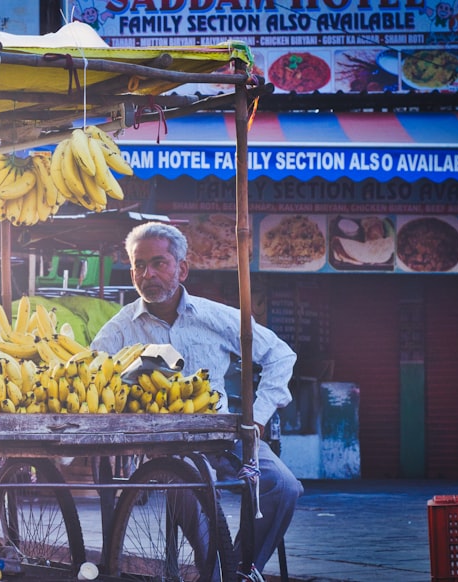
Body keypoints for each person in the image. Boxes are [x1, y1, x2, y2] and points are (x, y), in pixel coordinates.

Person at [90, 221, 304, 575]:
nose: (149, 274)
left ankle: (242, 570)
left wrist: (260, 416)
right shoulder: (118, 330)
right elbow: (93, 378)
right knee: (188, 491)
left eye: (159, 263)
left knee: (283, 487)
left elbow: (281, 355)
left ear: (182, 269)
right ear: (131, 272)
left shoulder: (215, 317)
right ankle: (216, 570)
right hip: (165, 447)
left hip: (225, 435)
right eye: (139, 266)